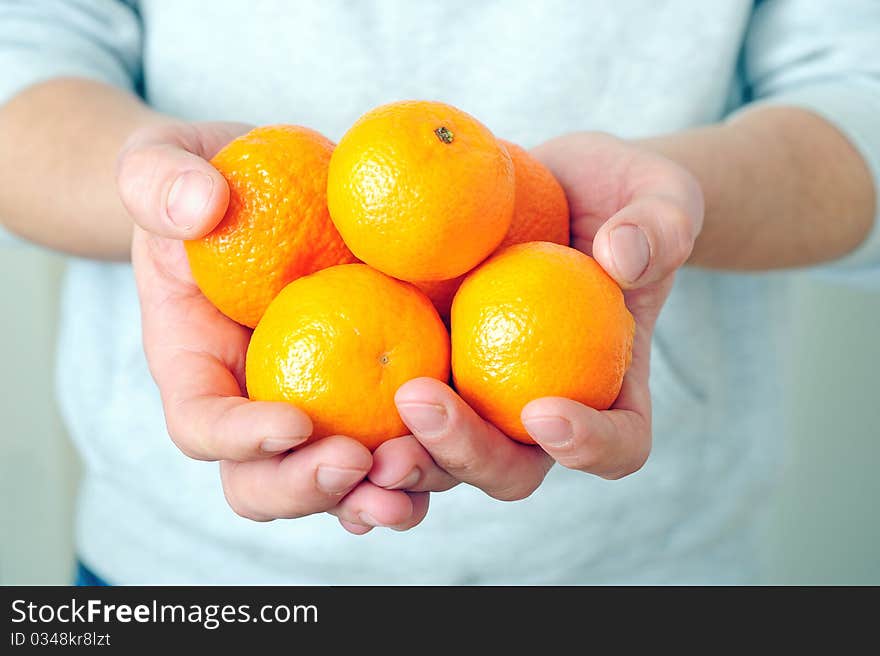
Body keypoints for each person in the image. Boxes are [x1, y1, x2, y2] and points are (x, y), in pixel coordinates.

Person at [0, 0, 877, 585]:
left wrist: (675, 199)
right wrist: (163, 193)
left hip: (654, 570)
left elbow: (859, 97)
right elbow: (23, 62)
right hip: (181, 572)